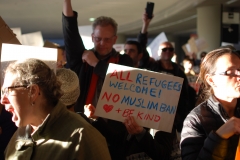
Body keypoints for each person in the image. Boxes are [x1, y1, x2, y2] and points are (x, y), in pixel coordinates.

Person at [62, 1, 133, 159]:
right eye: (98, 38)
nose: (102, 44)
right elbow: (70, 33)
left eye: (107, 40)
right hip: (83, 125)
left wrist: (96, 63)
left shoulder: (124, 61)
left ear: (114, 39)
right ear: (93, 37)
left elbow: (124, 81)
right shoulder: (81, 59)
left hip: (114, 130)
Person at [2, 58, 111, 160]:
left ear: (33, 92)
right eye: (2, 92)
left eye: (8, 91)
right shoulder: (21, 132)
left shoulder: (83, 138)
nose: (2, 100)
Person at [137, 11, 190, 160]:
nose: (167, 52)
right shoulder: (151, 66)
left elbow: (184, 97)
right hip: (150, 114)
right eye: (164, 49)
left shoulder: (179, 72)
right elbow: (140, 48)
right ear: (158, 52)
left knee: (166, 150)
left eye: (170, 49)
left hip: (170, 118)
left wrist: (179, 118)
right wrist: (145, 25)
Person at [180, 48, 240, 159]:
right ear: (211, 80)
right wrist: (219, 136)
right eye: (231, 72)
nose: (239, 77)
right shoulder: (196, 120)